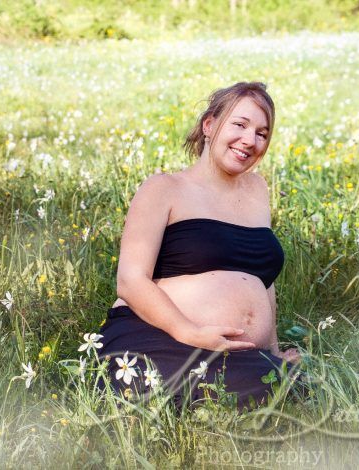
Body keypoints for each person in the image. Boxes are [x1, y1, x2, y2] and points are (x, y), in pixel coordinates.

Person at [99, 82, 301, 410]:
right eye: (240, 125)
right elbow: (131, 280)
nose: (250, 141)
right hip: (159, 336)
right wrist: (189, 332)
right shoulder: (164, 188)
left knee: (291, 385)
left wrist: (272, 350)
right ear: (209, 125)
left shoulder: (257, 190)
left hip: (233, 351)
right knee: (218, 393)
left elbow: (262, 277)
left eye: (262, 133)